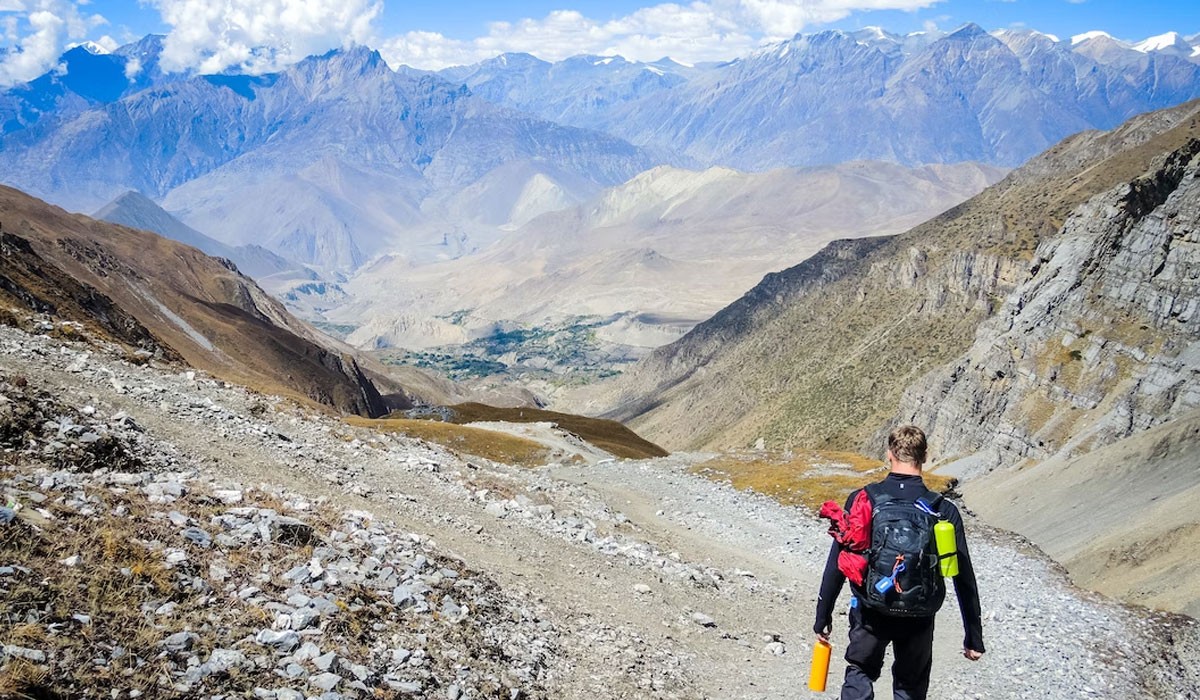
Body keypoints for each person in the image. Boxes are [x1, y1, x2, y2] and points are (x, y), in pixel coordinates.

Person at [813, 425, 984, 699]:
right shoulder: (943, 510)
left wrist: (823, 616)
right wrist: (973, 636)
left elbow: (838, 562)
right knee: (910, 687)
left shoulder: (863, 499)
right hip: (919, 615)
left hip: (871, 610)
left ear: (889, 454)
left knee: (859, 672)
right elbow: (963, 577)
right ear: (925, 456)